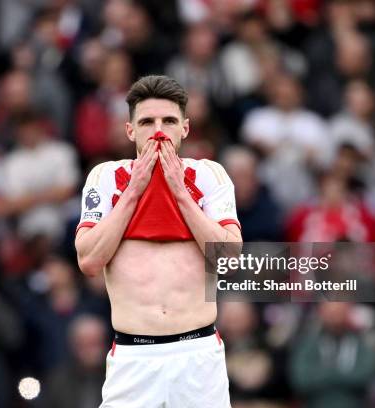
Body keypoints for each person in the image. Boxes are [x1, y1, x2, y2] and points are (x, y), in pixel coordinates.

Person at [75, 75, 242, 407]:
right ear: (130, 130)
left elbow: (229, 259)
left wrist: (180, 193)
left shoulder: (209, 174)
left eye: (169, 120)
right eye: (147, 122)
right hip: (133, 357)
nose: (158, 131)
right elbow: (89, 261)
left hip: (198, 354)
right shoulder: (106, 177)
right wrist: (134, 190)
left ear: (186, 128)